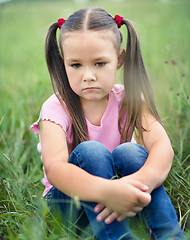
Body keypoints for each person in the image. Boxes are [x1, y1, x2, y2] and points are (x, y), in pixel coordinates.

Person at [31, 8, 184, 240]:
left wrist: (132, 186)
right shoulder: (54, 108)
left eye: (100, 63)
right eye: (76, 65)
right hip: (68, 203)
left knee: (130, 151)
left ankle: (169, 234)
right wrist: (108, 192)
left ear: (119, 59)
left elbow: (162, 147)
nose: (88, 75)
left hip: (121, 197)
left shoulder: (129, 99)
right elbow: (56, 170)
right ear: (63, 63)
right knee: (90, 151)